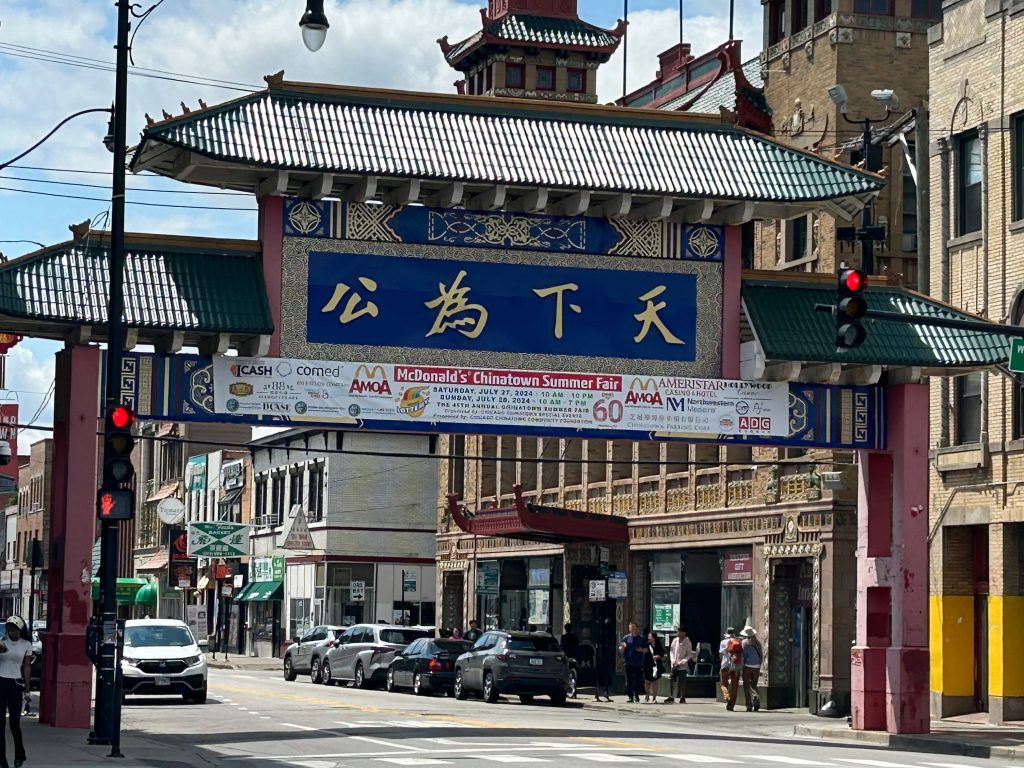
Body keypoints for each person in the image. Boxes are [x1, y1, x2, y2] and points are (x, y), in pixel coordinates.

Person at [0, 617, 32, 768]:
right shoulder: (2, 642)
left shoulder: (26, 645)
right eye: (9, 629)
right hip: (1, 682)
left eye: (13, 630)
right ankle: (2, 761)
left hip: (15, 683)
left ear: (19, 631)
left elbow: (26, 667)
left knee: (14, 723)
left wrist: (27, 688)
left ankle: (20, 754)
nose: (10, 632)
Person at [618, 622, 648, 704]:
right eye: (630, 628)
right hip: (628, 662)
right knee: (629, 680)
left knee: (637, 680)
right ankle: (630, 696)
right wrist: (622, 647)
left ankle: (636, 694)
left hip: (638, 663)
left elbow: (646, 650)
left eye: (633, 627)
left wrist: (641, 650)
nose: (631, 629)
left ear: (637, 628)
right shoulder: (626, 638)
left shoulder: (641, 638)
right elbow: (620, 649)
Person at [665, 625, 693, 704]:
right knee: (672, 680)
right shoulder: (675, 640)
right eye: (678, 631)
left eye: (680, 632)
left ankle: (682, 697)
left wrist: (682, 662)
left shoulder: (687, 642)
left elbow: (688, 654)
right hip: (674, 665)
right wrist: (673, 661)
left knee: (682, 682)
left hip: (682, 666)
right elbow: (671, 651)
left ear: (684, 633)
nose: (678, 633)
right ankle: (671, 696)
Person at [719, 626, 742, 711]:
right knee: (735, 686)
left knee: (723, 684)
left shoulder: (723, 642)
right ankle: (731, 705)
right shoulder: (738, 642)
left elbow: (721, 653)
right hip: (736, 665)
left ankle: (727, 696)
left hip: (725, 665)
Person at [740, 626, 763, 712]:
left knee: (746, 686)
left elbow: (743, 656)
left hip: (747, 666)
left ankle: (749, 705)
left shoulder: (744, 643)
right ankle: (756, 700)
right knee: (754, 685)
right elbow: (761, 656)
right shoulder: (758, 643)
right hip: (756, 667)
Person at [643, 630, 665, 703]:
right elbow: (643, 651)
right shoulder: (646, 645)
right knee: (647, 681)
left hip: (656, 665)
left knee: (655, 682)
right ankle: (647, 694)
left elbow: (662, 654)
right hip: (648, 665)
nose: (648, 638)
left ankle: (654, 697)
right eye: (648, 637)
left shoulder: (658, 645)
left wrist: (657, 656)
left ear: (654, 638)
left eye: (650, 637)